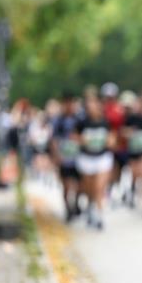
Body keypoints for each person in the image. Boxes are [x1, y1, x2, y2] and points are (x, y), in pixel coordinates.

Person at [76, 94, 114, 230]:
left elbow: (111, 139)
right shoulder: (82, 122)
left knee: (99, 188)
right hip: (87, 158)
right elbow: (74, 138)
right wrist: (82, 140)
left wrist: (110, 141)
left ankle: (99, 215)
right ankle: (91, 208)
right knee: (90, 189)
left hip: (102, 157)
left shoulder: (105, 122)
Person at [50, 93, 84, 222]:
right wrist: (57, 155)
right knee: (66, 185)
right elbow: (53, 139)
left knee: (78, 184)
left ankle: (75, 203)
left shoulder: (79, 119)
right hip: (64, 157)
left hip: (77, 158)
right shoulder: (58, 120)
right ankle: (68, 209)